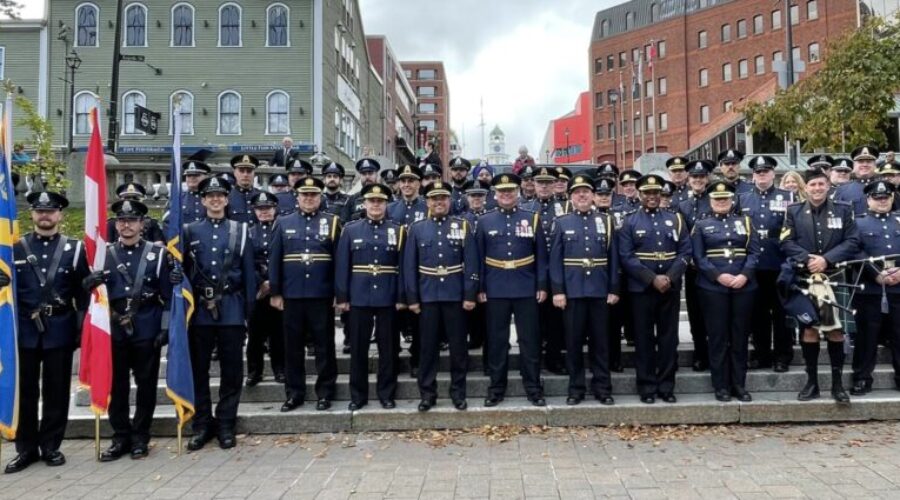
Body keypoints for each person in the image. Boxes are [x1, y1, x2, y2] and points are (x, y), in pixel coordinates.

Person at [4, 192, 90, 473]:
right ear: (32, 214)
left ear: (60, 215)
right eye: (40, 211)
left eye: (50, 211)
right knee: (26, 392)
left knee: (56, 391)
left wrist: (79, 331)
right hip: (24, 331)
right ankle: (26, 448)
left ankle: (51, 446)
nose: (45, 216)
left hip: (59, 329)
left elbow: (81, 295)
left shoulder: (74, 250)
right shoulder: (13, 248)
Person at [97, 200, 175, 461]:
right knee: (116, 386)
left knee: (146, 386)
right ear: (115, 224)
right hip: (114, 329)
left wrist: (164, 329)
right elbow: (94, 298)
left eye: (132, 220)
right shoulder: (103, 254)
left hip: (146, 327)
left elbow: (168, 297)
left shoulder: (158, 254)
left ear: (143, 224)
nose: (126, 225)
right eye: (121, 220)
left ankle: (141, 436)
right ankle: (120, 436)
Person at [183, 176, 256, 450]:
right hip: (199, 311)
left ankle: (226, 422)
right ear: (202, 200)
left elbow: (249, 274)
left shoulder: (240, 231)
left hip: (231, 308)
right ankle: (202, 424)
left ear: (227, 199)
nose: (215, 200)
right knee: (199, 370)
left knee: (232, 370)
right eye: (209, 196)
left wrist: (249, 313)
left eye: (220, 195)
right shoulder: (190, 231)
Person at [780, 168, 859, 404]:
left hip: (834, 275)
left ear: (828, 186)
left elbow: (853, 240)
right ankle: (811, 382)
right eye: (812, 184)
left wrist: (826, 259)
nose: (817, 188)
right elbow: (786, 241)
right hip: (805, 277)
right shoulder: (793, 210)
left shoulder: (844, 209)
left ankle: (837, 385)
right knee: (809, 328)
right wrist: (809, 259)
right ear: (806, 187)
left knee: (836, 330)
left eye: (821, 184)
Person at [403, 181, 479, 411]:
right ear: (427, 202)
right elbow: (409, 266)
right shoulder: (416, 229)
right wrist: (413, 298)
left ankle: (458, 393)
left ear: (449, 201)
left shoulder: (462, 225)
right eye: (434, 199)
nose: (439, 202)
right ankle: (427, 393)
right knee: (427, 349)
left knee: (458, 348)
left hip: (455, 296)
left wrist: (469, 294)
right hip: (427, 297)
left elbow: (472, 263)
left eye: (443, 198)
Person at [269, 177, 341, 411]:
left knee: (324, 346)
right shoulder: (282, 222)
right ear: (297, 197)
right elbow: (275, 260)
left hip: (321, 294)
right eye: (305, 195)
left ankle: (326, 391)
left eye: (314, 195)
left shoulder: (332, 222)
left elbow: (339, 261)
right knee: (292, 347)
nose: (309, 199)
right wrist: (276, 292)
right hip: (292, 294)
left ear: (320, 197)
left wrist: (338, 293)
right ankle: (294, 393)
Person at [476, 173, 548, 407]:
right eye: (501, 191)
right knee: (497, 341)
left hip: (526, 285)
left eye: (510, 191)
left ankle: (533, 387)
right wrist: (480, 286)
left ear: (517, 192)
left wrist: (541, 285)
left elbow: (541, 257)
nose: (506, 195)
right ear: (495, 194)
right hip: (495, 287)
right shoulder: (485, 221)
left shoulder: (532, 218)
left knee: (530, 340)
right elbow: (478, 257)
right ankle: (496, 387)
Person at [618, 174, 691, 404]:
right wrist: (652, 279)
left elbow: (685, 252)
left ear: (661, 195)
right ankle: (647, 386)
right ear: (640, 195)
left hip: (669, 287)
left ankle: (667, 386)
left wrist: (669, 278)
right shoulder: (630, 221)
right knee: (644, 338)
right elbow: (626, 257)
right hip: (642, 289)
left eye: (656, 193)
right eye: (647, 193)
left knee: (669, 339)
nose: (652, 197)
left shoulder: (675, 219)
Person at [550, 174, 619, 406]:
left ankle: (603, 388)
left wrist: (613, 288)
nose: (582, 195)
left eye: (586, 192)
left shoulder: (606, 221)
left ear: (593, 196)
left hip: (599, 291)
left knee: (601, 343)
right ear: (571, 196)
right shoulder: (561, 222)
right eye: (577, 192)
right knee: (573, 342)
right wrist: (558, 291)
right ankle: (576, 388)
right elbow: (555, 260)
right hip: (573, 292)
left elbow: (613, 258)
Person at [335, 183, 405, 411]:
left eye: (380, 201)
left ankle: (386, 393)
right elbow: (342, 265)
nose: (376, 205)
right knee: (358, 348)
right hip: (359, 296)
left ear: (386, 204)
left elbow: (403, 267)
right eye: (372, 201)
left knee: (388, 348)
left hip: (388, 295)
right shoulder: (351, 230)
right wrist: (342, 297)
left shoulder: (398, 230)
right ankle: (358, 395)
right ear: (364, 204)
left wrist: (402, 296)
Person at [691, 180, 760, 402]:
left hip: (743, 286)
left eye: (725, 199)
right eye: (717, 199)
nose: (721, 202)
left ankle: (739, 385)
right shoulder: (701, 225)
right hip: (713, 287)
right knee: (718, 337)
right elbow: (698, 257)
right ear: (710, 201)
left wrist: (744, 275)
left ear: (732, 200)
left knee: (739, 337)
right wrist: (717, 275)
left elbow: (755, 252)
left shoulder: (746, 222)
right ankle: (720, 385)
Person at [738, 156, 795, 372]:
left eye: (766, 171)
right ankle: (762, 354)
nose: (762, 175)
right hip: (754, 267)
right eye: (758, 172)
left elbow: (793, 230)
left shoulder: (788, 196)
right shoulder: (742, 199)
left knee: (781, 314)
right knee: (758, 314)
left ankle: (783, 356)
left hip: (780, 264)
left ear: (773, 174)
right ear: (753, 175)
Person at [850, 180, 900, 394]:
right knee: (866, 337)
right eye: (878, 198)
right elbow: (854, 251)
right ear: (868, 199)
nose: (882, 201)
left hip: (898, 289)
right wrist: (876, 274)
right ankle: (862, 377)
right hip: (870, 289)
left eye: (886, 197)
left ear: (892, 198)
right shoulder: (857, 223)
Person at [388, 165, 427, 377]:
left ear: (418, 183)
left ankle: (417, 360)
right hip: (393, 270)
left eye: (411, 180)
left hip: (420, 271)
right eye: (403, 180)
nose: (406, 184)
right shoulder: (391, 209)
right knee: (392, 319)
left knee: (418, 318)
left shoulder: (427, 207)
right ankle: (392, 357)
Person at [677, 160, 716, 372]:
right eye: (694, 177)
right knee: (695, 314)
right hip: (693, 269)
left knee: (715, 314)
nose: (698, 180)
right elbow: (682, 237)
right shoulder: (683, 205)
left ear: (707, 178)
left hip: (715, 267)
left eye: (701, 177)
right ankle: (700, 354)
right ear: (688, 179)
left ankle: (715, 354)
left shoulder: (716, 200)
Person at [245, 192, 285, 387]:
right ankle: (254, 371)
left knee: (279, 333)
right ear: (255, 211)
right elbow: (246, 262)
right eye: (260, 209)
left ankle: (280, 369)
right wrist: (261, 282)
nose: (264, 212)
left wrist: (274, 283)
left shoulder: (283, 229)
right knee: (255, 334)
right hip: (258, 291)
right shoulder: (248, 232)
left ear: (274, 209)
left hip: (279, 289)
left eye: (268, 208)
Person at [460, 180, 492, 354]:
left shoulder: (492, 217)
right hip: (468, 268)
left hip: (489, 267)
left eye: (480, 195)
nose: (477, 199)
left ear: (485, 197)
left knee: (489, 308)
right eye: (473, 196)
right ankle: (474, 337)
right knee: (471, 305)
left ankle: (489, 337)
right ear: (467, 198)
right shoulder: (461, 220)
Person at [834, 146, 881, 216]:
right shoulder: (842, 190)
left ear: (875, 165)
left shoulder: (887, 187)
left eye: (869, 161)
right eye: (861, 161)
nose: (865, 164)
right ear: (854, 165)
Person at [163, 159, 210, 227]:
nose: (192, 178)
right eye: (189, 175)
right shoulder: (177, 198)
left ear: (206, 177)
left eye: (196, 175)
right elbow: (167, 222)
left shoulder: (213, 198)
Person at [342, 158, 382, 223]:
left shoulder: (385, 197)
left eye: (370, 173)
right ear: (360, 176)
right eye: (364, 174)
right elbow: (344, 223)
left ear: (376, 175)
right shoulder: (352, 199)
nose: (367, 177)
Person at [227, 154, 263, 225]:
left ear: (254, 173)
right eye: (241, 171)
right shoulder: (227, 197)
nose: (245, 174)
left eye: (249, 171)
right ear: (234, 173)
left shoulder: (262, 196)